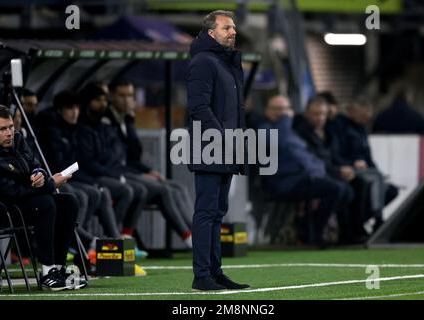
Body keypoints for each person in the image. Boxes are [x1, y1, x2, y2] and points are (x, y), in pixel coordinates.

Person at [187, 10, 250, 291]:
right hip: (209, 148)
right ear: (211, 32)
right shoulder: (203, 62)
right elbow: (199, 108)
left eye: (234, 27)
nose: (233, 32)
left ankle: (214, 272)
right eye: (227, 28)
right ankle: (202, 276)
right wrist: (223, 139)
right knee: (206, 212)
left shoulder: (225, 63)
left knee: (217, 213)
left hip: (225, 148)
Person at [0, 105, 86, 291]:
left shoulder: (19, 140)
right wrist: (49, 184)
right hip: (6, 209)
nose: (9, 133)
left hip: (28, 200)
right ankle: (47, 273)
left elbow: (35, 163)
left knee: (68, 202)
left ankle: (58, 269)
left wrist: (38, 174)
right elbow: (10, 192)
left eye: (10, 127)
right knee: (46, 203)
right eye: (2, 129)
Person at [106, 80, 193, 247]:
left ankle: (197, 231)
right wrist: (140, 174)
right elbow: (114, 160)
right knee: (162, 190)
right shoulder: (107, 120)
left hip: (130, 171)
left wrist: (148, 171)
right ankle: (190, 239)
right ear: (111, 96)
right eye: (122, 95)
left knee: (178, 187)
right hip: (117, 174)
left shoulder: (126, 119)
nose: (126, 100)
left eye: (130, 96)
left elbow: (133, 155)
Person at [259, 95, 353, 247]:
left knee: (345, 190)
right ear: (266, 111)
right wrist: (284, 119)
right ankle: (314, 234)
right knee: (335, 189)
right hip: (282, 181)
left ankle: (313, 230)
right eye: (276, 109)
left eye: (284, 110)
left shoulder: (290, 131)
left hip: (303, 178)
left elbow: (308, 156)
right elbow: (279, 143)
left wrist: (319, 172)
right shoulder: (263, 128)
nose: (280, 113)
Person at [35, 90, 123, 247]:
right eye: (70, 108)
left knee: (97, 192)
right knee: (81, 195)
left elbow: (76, 163)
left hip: (70, 177)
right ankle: (75, 241)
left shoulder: (73, 130)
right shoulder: (51, 131)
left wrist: (91, 181)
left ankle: (103, 238)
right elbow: (57, 164)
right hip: (53, 178)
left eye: (77, 108)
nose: (75, 112)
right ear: (60, 110)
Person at [293, 96, 368, 243]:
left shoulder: (328, 133)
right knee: (342, 189)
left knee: (359, 183)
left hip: (330, 172)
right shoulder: (301, 133)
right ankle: (314, 231)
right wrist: (338, 171)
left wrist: (350, 166)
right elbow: (313, 161)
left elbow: (333, 156)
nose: (320, 117)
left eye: (323, 114)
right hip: (311, 175)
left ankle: (353, 231)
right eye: (316, 114)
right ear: (307, 113)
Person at [76, 83, 147, 238]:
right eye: (98, 100)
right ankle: (104, 239)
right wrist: (114, 174)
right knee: (124, 190)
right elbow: (88, 162)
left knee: (140, 189)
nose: (103, 104)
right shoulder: (83, 127)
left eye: (104, 100)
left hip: (108, 172)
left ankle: (115, 237)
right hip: (90, 176)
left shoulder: (104, 124)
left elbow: (131, 152)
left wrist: (129, 122)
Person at [331, 96, 399, 231]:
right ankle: (376, 220)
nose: (367, 117)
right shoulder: (339, 126)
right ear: (352, 110)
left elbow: (368, 156)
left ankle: (362, 220)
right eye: (364, 113)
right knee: (373, 180)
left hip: (365, 170)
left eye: (368, 114)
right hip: (347, 168)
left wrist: (375, 169)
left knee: (391, 190)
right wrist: (351, 163)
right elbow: (335, 153)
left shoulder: (361, 129)